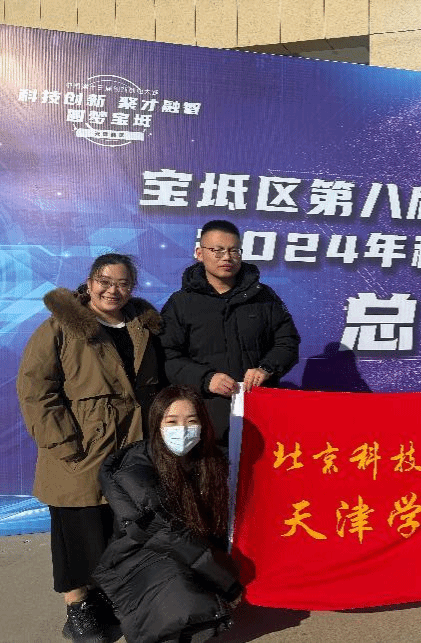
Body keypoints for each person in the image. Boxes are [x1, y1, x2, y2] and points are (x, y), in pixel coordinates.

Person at [17, 254, 163, 642]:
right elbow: (35, 389)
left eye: (123, 283)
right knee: (75, 530)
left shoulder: (143, 327)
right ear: (89, 282)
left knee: (115, 529)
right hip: (79, 446)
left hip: (130, 446)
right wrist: (63, 441)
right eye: (105, 281)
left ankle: (103, 598)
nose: (113, 290)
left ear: (132, 287)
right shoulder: (61, 326)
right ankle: (77, 608)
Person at [93, 385, 242, 643]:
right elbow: (164, 534)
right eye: (172, 421)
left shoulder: (209, 460)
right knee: (178, 593)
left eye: (191, 421)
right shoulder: (135, 470)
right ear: (156, 424)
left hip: (190, 547)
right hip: (140, 553)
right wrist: (227, 583)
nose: (182, 430)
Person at [160, 220, 301, 443]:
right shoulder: (180, 303)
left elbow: (288, 342)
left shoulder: (264, 297)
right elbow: (167, 356)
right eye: (217, 250)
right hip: (204, 415)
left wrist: (267, 368)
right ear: (199, 253)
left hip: (258, 413)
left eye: (234, 251)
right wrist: (206, 379)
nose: (227, 257)